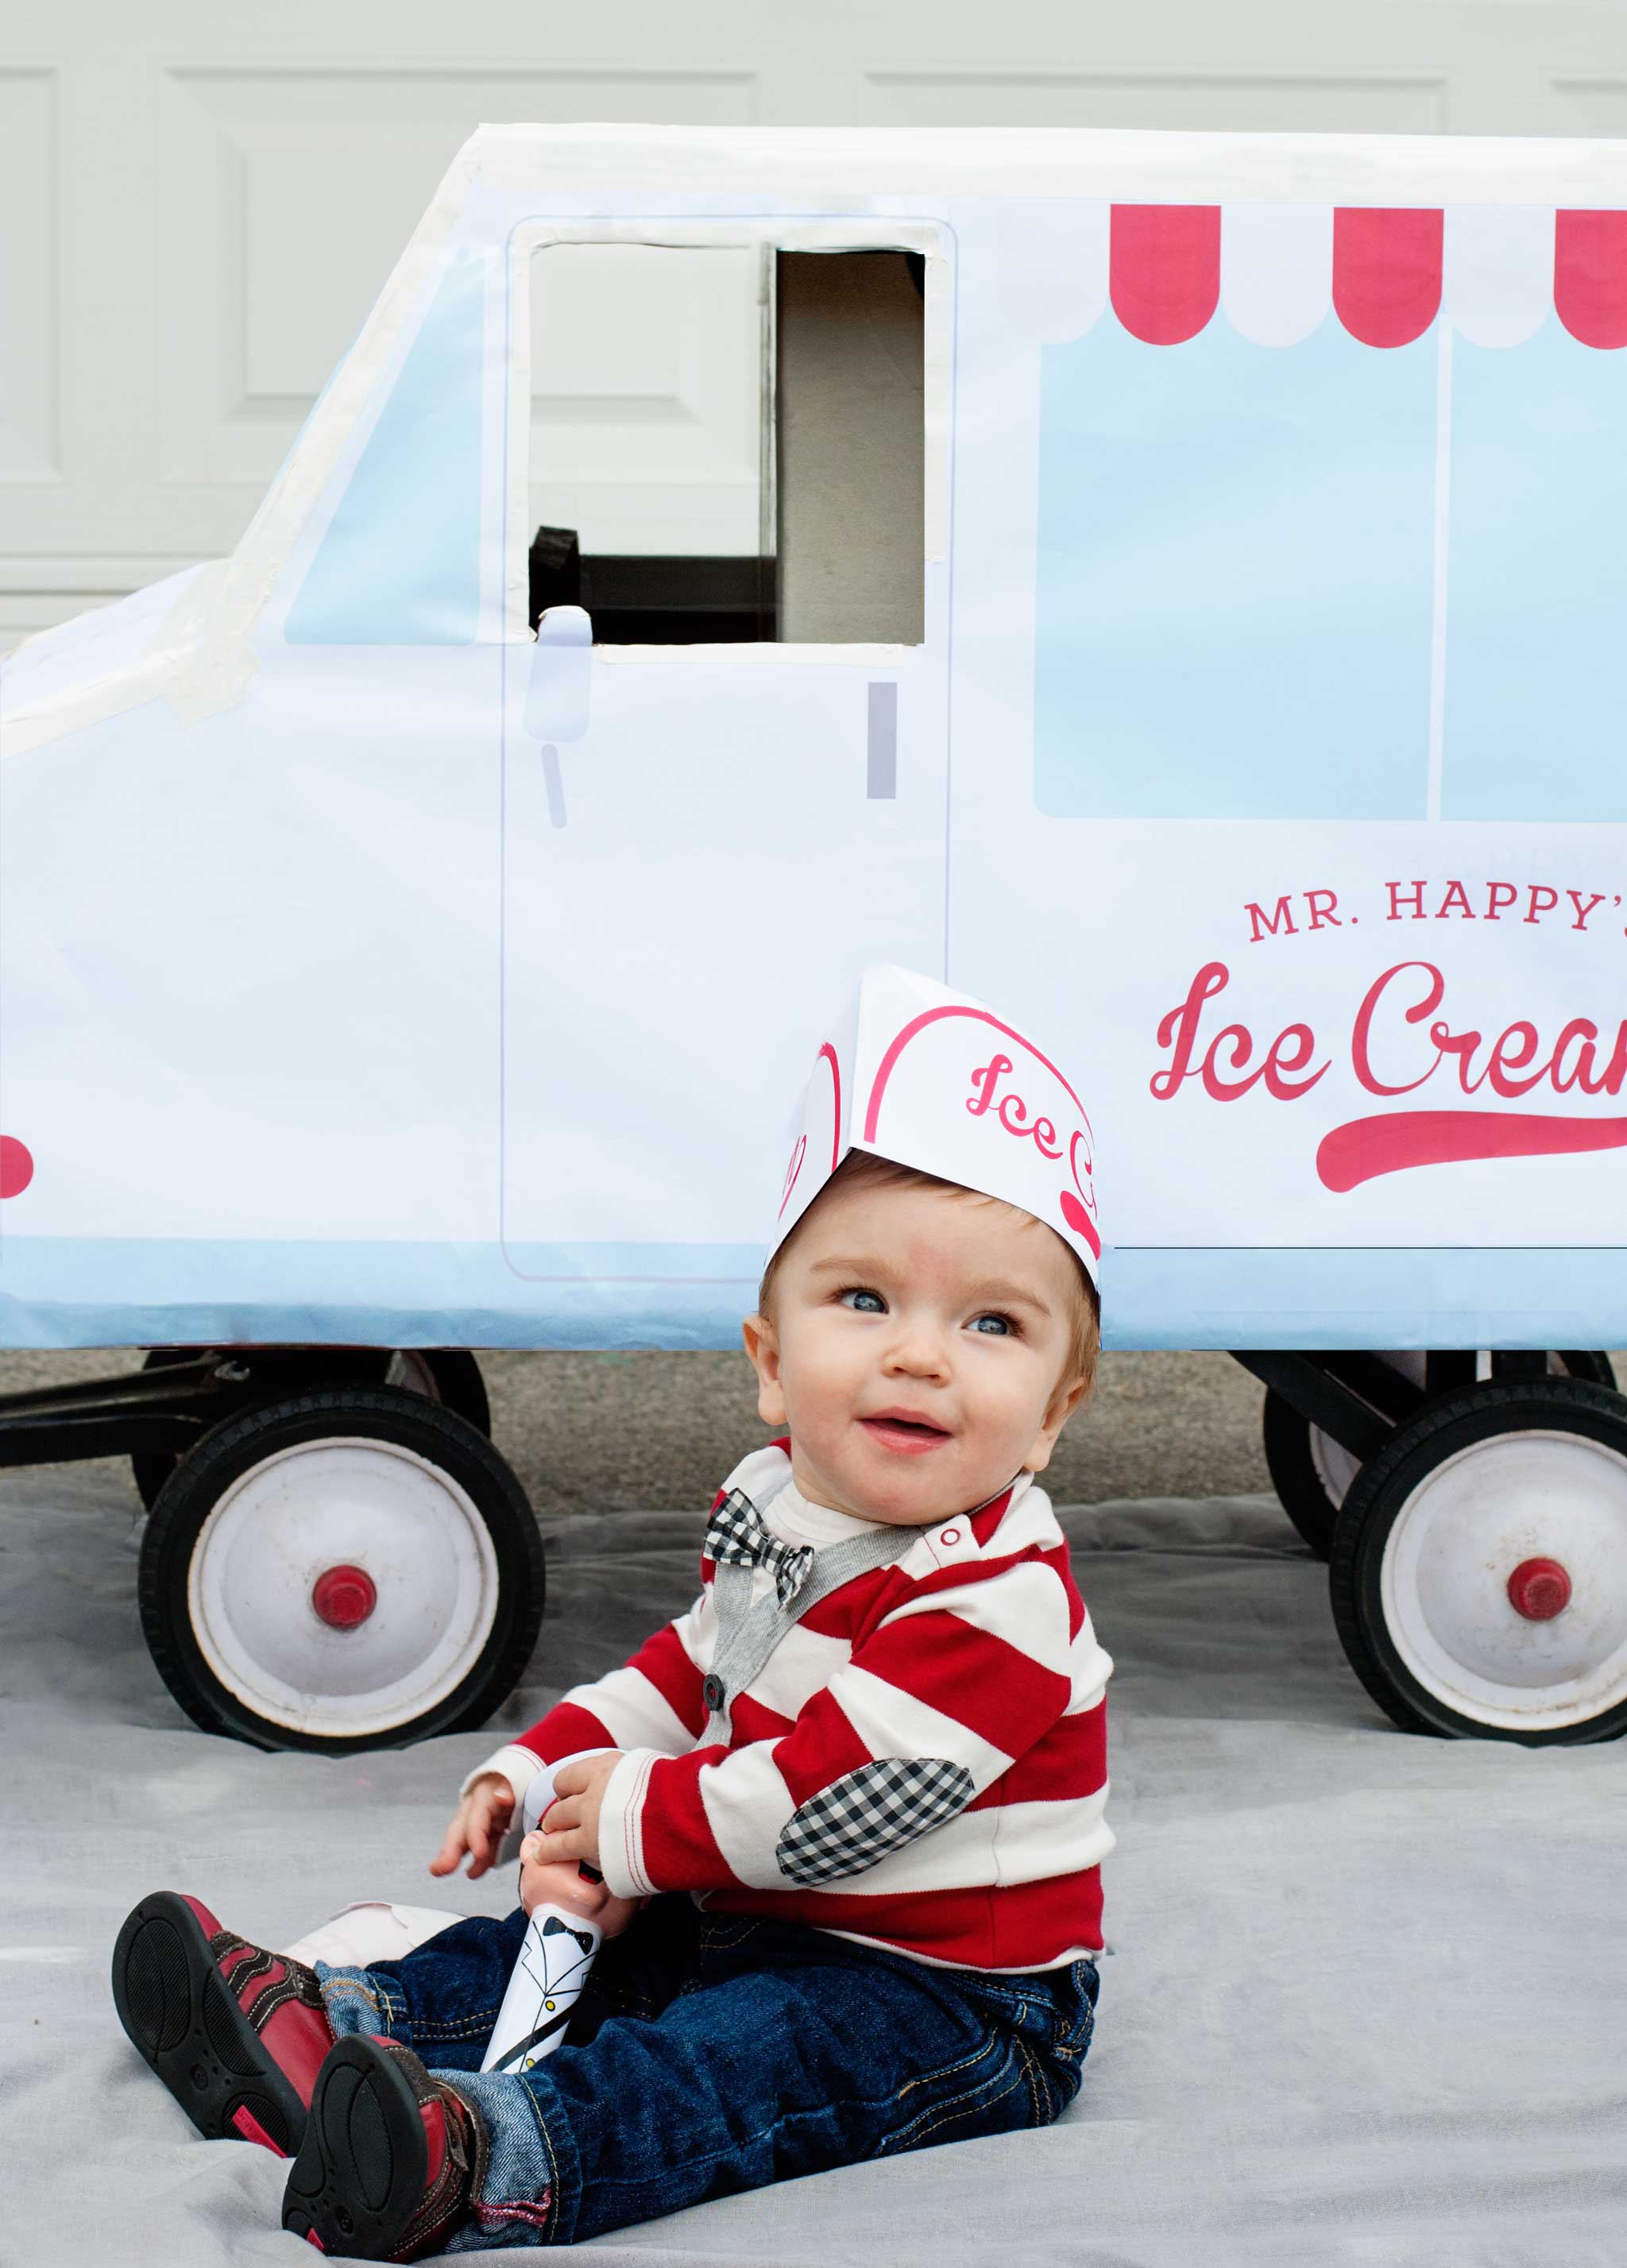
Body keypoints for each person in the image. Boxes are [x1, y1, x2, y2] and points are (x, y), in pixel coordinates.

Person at [111, 966, 1115, 2258]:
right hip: (752, 1900)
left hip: (947, 1995)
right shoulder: (786, 1506)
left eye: (991, 1322)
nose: (918, 1352)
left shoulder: (999, 1594)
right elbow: (688, 1667)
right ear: (768, 1364)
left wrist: (639, 1823)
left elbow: (837, 1800)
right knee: (584, 1948)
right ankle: (330, 2026)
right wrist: (540, 1773)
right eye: (863, 1301)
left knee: (729, 2062)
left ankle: (479, 2163)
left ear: (1053, 1412)